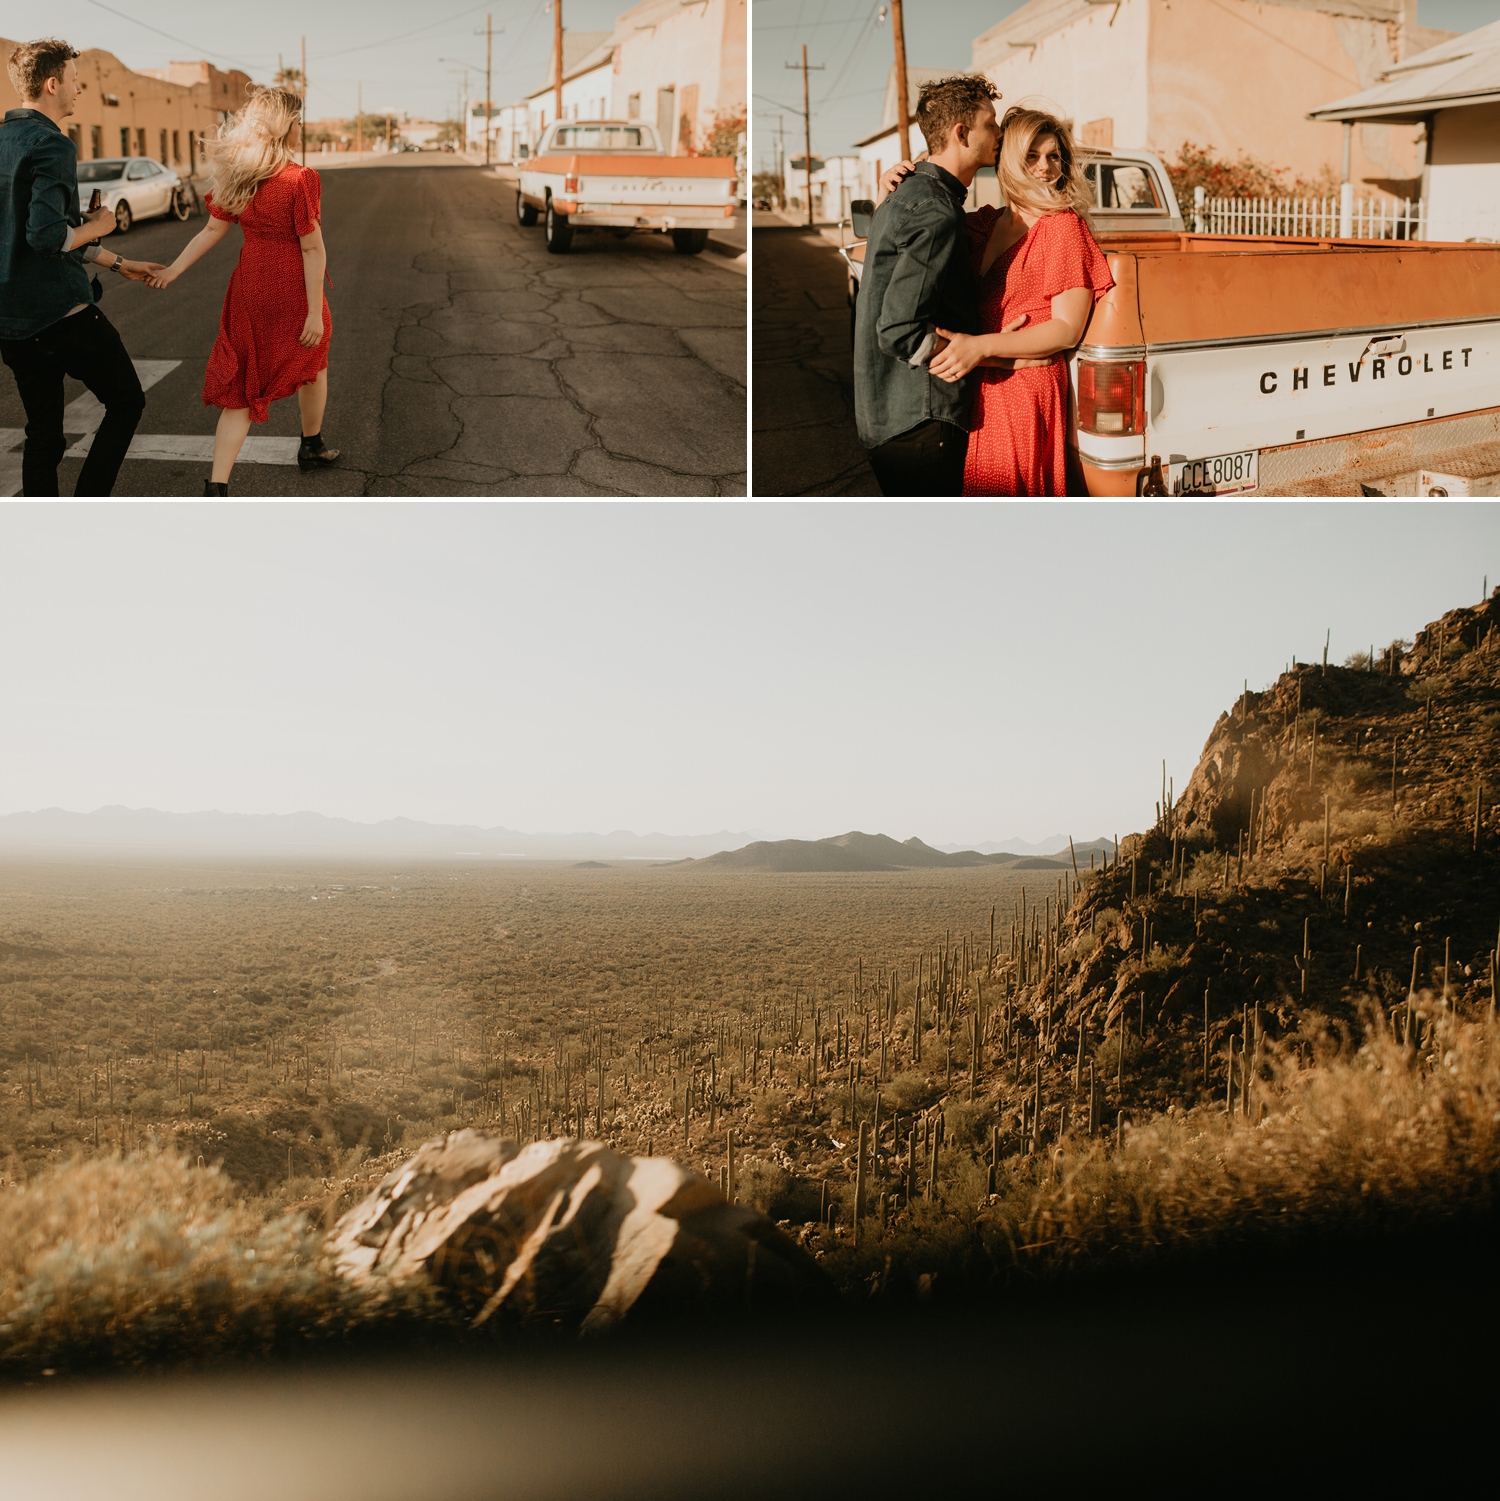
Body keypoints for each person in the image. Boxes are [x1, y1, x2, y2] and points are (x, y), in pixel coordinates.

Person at [885, 107, 1114, 496]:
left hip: (1024, 385)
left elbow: (1066, 328)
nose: (1045, 168)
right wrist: (894, 188)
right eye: (1032, 155)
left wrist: (982, 346)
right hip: (979, 375)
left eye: (1053, 156)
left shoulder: (1061, 225)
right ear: (1007, 158)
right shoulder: (984, 222)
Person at [147, 86, 338, 496]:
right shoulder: (300, 178)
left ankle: (216, 486)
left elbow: (212, 229)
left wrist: (174, 270)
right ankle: (311, 445)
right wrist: (310, 311)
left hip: (250, 289)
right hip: (292, 291)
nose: (301, 127)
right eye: (298, 121)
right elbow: (310, 246)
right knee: (313, 362)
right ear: (285, 127)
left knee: (243, 383)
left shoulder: (240, 176)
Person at [0, 39, 164, 496]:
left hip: (11, 322)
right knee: (127, 401)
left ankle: (39, 535)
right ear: (52, 84)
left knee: (44, 435)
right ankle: (88, 507)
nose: (80, 89)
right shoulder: (52, 144)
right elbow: (48, 238)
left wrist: (119, 262)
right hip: (61, 313)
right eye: (75, 80)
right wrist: (101, 225)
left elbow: (30, 236)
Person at [852, 76, 1010, 497]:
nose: (999, 133)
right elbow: (898, 330)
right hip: (921, 419)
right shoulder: (935, 212)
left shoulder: (907, 192)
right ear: (962, 133)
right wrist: (971, 352)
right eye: (990, 123)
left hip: (889, 415)